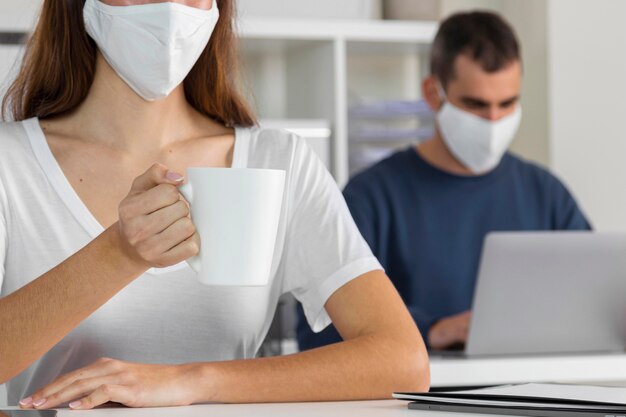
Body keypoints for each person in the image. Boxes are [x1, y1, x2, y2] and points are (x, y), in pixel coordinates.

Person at [0, 0, 430, 409]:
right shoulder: (9, 162)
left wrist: (191, 381)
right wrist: (117, 255)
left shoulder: (279, 162)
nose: (168, 9)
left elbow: (403, 362)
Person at [297, 11, 591, 352]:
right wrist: (431, 330)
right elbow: (317, 332)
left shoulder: (546, 195)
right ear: (433, 93)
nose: (494, 121)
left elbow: (595, 300)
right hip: (420, 399)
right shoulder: (372, 197)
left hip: (536, 395)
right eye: (475, 104)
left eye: (507, 103)